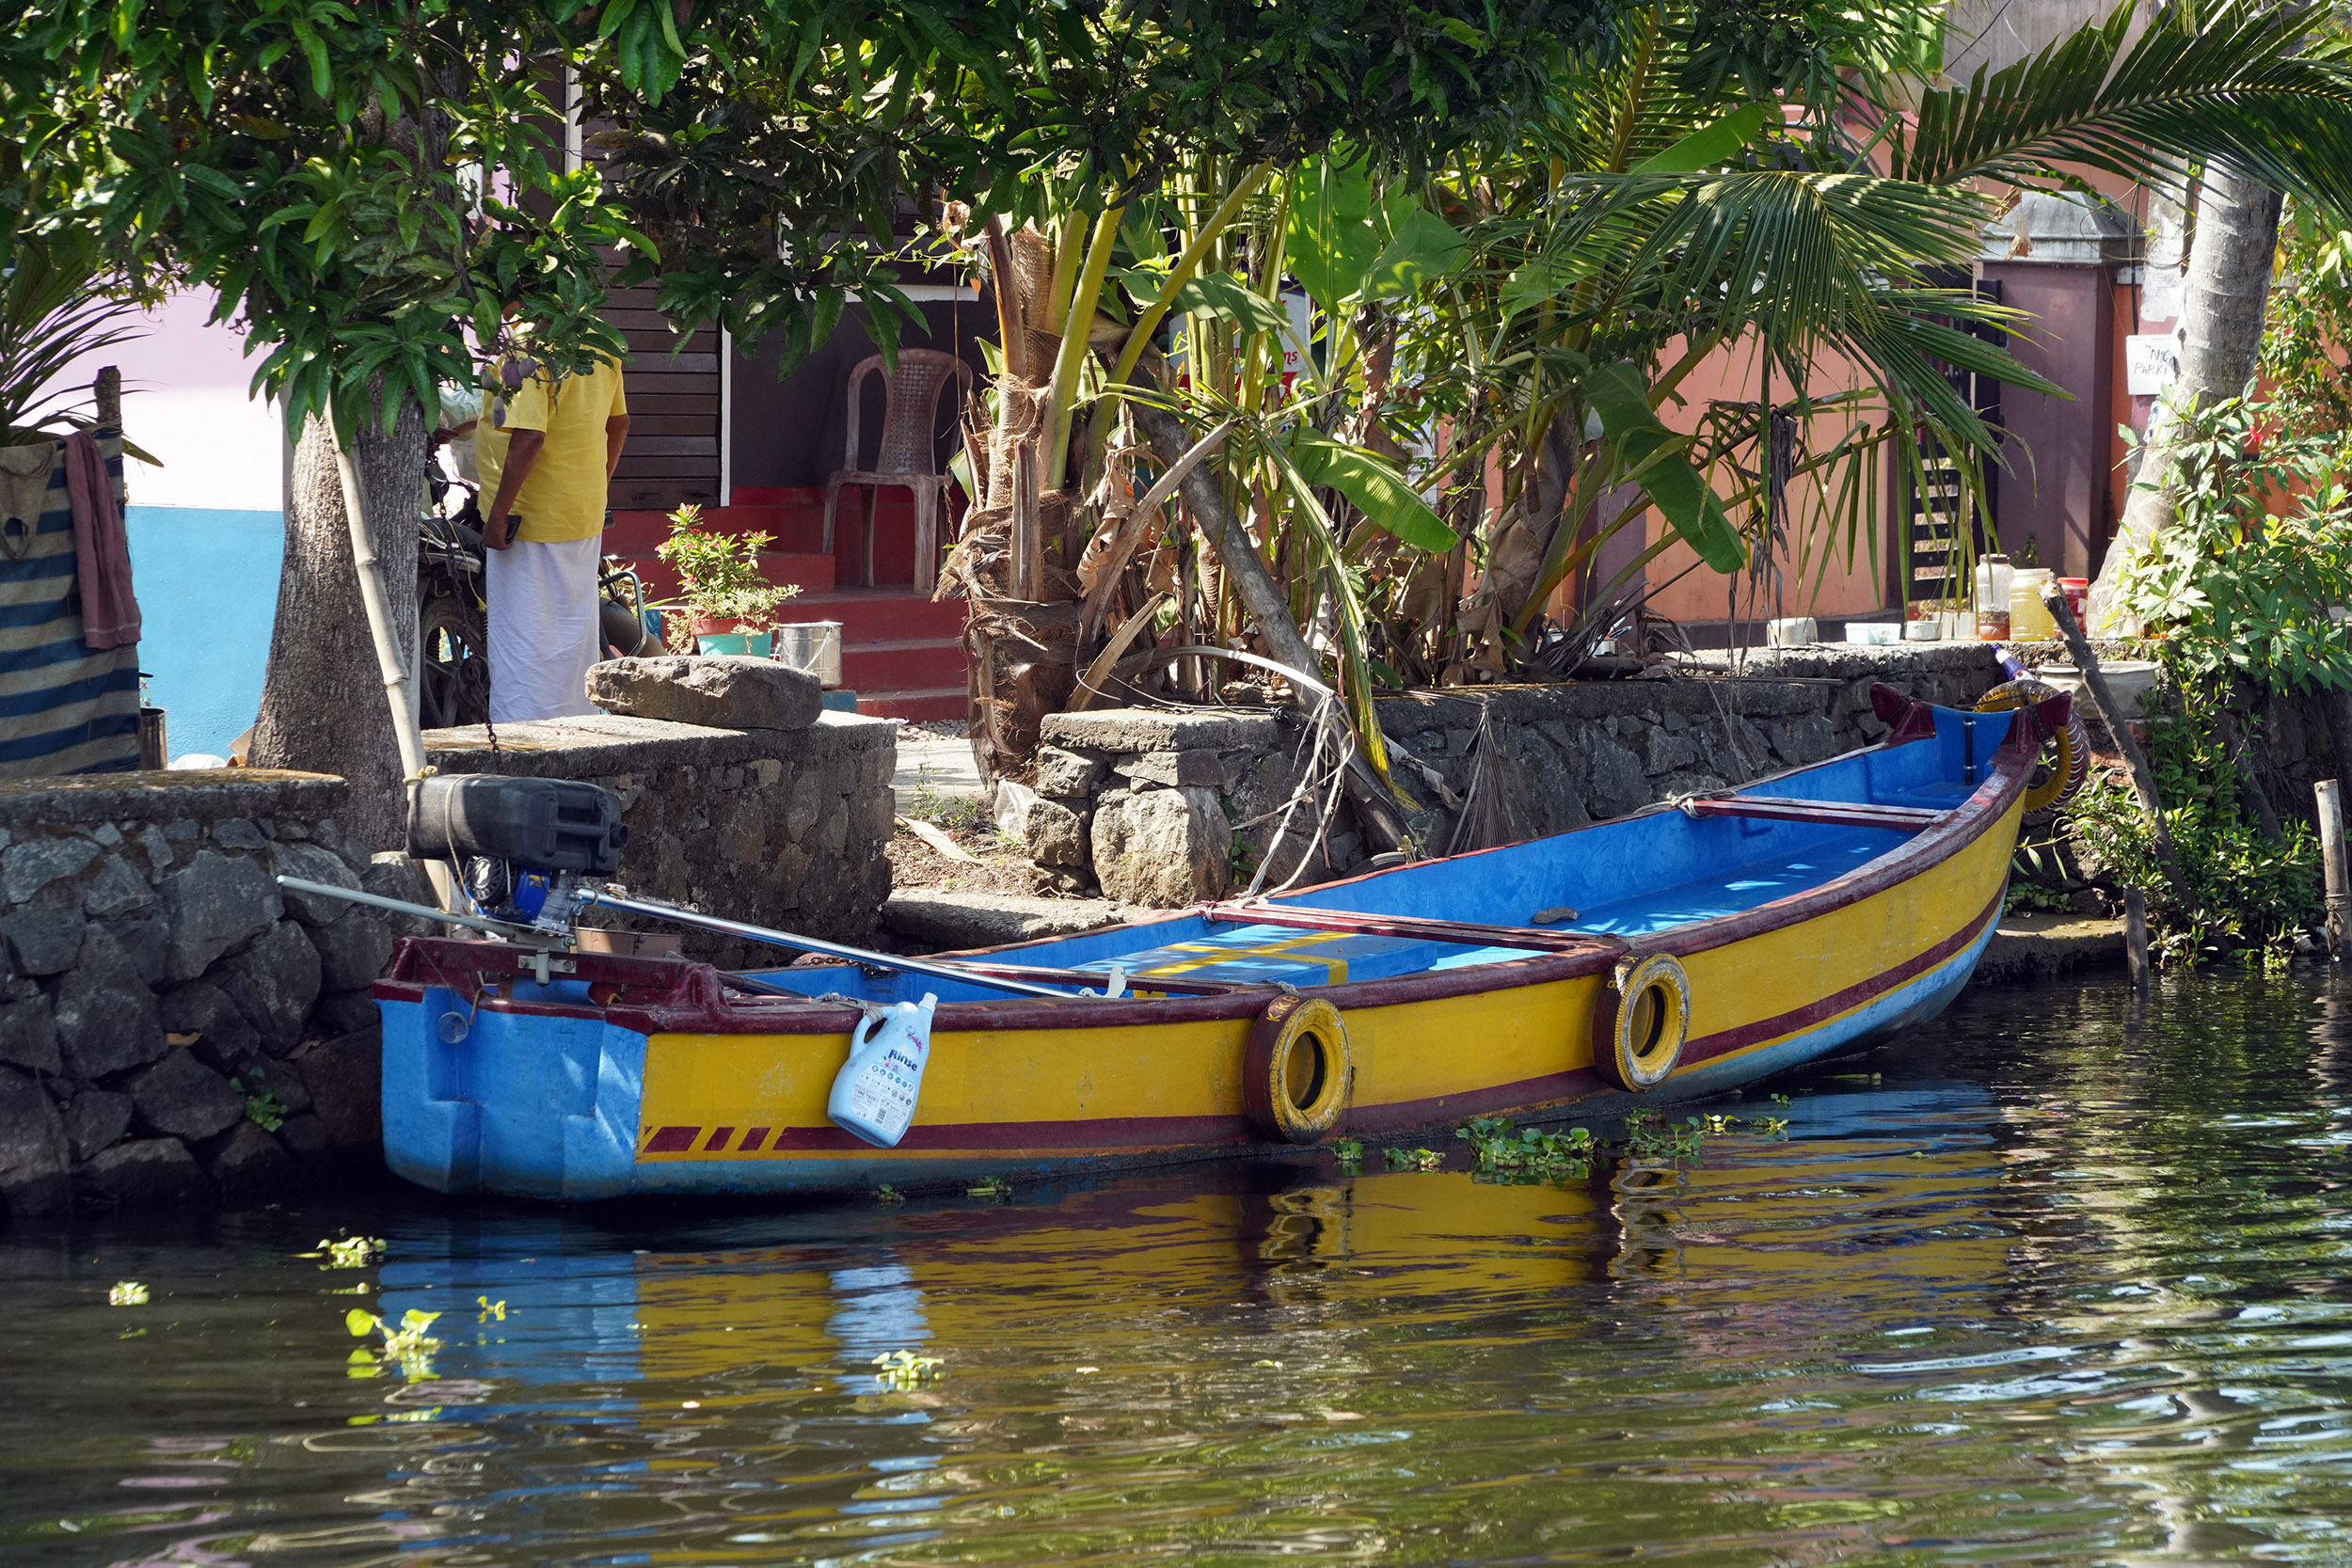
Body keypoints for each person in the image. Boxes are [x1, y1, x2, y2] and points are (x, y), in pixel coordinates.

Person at [473, 347, 629, 723]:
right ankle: (578, 738)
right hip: (582, 514)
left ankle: (523, 747)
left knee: (525, 648)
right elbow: (619, 424)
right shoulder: (594, 342)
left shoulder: (524, 349)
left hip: (528, 520)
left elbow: (530, 438)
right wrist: (595, 486)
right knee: (573, 644)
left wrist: (497, 516)